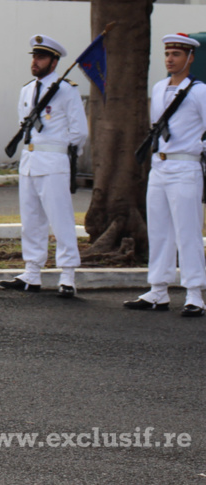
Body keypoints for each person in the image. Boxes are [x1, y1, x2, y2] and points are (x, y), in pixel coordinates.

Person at [0, 35, 87, 298]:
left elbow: (79, 132)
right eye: (34, 57)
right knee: (31, 220)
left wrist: (63, 153)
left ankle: (68, 275)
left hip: (54, 162)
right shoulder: (26, 90)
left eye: (41, 57)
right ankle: (32, 272)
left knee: (61, 221)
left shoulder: (67, 90)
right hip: (29, 161)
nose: (35, 62)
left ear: (54, 61)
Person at [124, 34, 206, 317]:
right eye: (168, 54)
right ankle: (158, 289)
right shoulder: (159, 88)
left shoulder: (199, 92)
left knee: (188, 232)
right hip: (159, 167)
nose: (170, 59)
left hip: (185, 167)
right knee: (159, 230)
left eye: (177, 54)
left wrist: (198, 150)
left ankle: (195, 293)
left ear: (190, 58)